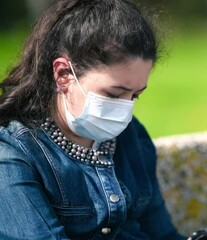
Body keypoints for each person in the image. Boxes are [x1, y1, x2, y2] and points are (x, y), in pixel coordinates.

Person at [0, 0, 186, 239]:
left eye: (136, 96)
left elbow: (163, 234)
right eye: (113, 94)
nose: (125, 110)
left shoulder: (132, 136)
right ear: (63, 75)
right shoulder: (13, 154)